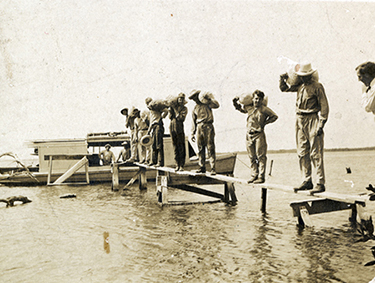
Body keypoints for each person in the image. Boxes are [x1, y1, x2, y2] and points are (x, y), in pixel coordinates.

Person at [279, 62, 329, 195]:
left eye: (305, 75)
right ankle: (306, 180)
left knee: (315, 152)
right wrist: (282, 79)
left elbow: (324, 106)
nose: (303, 78)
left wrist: (321, 123)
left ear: (310, 75)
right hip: (300, 119)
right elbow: (284, 89)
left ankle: (320, 182)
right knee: (302, 152)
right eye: (301, 76)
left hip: (312, 118)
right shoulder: (300, 86)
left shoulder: (317, 87)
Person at [233, 90, 278, 184]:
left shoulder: (264, 109)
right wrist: (234, 102)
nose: (257, 101)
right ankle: (254, 175)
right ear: (252, 99)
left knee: (261, 156)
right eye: (255, 99)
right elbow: (240, 109)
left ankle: (261, 176)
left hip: (259, 135)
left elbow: (274, 116)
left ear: (262, 100)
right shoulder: (250, 108)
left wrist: (265, 123)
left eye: (259, 99)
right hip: (249, 135)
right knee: (252, 157)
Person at [190, 90, 220, 175]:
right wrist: (192, 132)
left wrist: (209, 99)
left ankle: (213, 168)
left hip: (208, 126)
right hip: (199, 127)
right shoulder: (195, 108)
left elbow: (217, 105)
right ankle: (202, 166)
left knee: (210, 147)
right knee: (200, 148)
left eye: (195, 97)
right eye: (193, 99)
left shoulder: (208, 104)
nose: (194, 100)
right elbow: (193, 121)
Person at [145, 97, 168, 167]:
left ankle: (160, 162)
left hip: (158, 125)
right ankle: (154, 161)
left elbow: (166, 110)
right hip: (154, 127)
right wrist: (149, 131)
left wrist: (162, 116)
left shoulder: (156, 108)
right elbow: (151, 122)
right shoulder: (151, 112)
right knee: (154, 145)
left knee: (159, 145)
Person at [169, 92, 188, 171]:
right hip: (172, 127)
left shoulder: (184, 109)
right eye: (179, 98)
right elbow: (170, 117)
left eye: (182, 99)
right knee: (175, 146)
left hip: (179, 128)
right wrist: (171, 109)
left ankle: (181, 165)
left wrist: (175, 110)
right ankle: (177, 164)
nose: (180, 100)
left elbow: (180, 118)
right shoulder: (173, 108)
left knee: (181, 146)